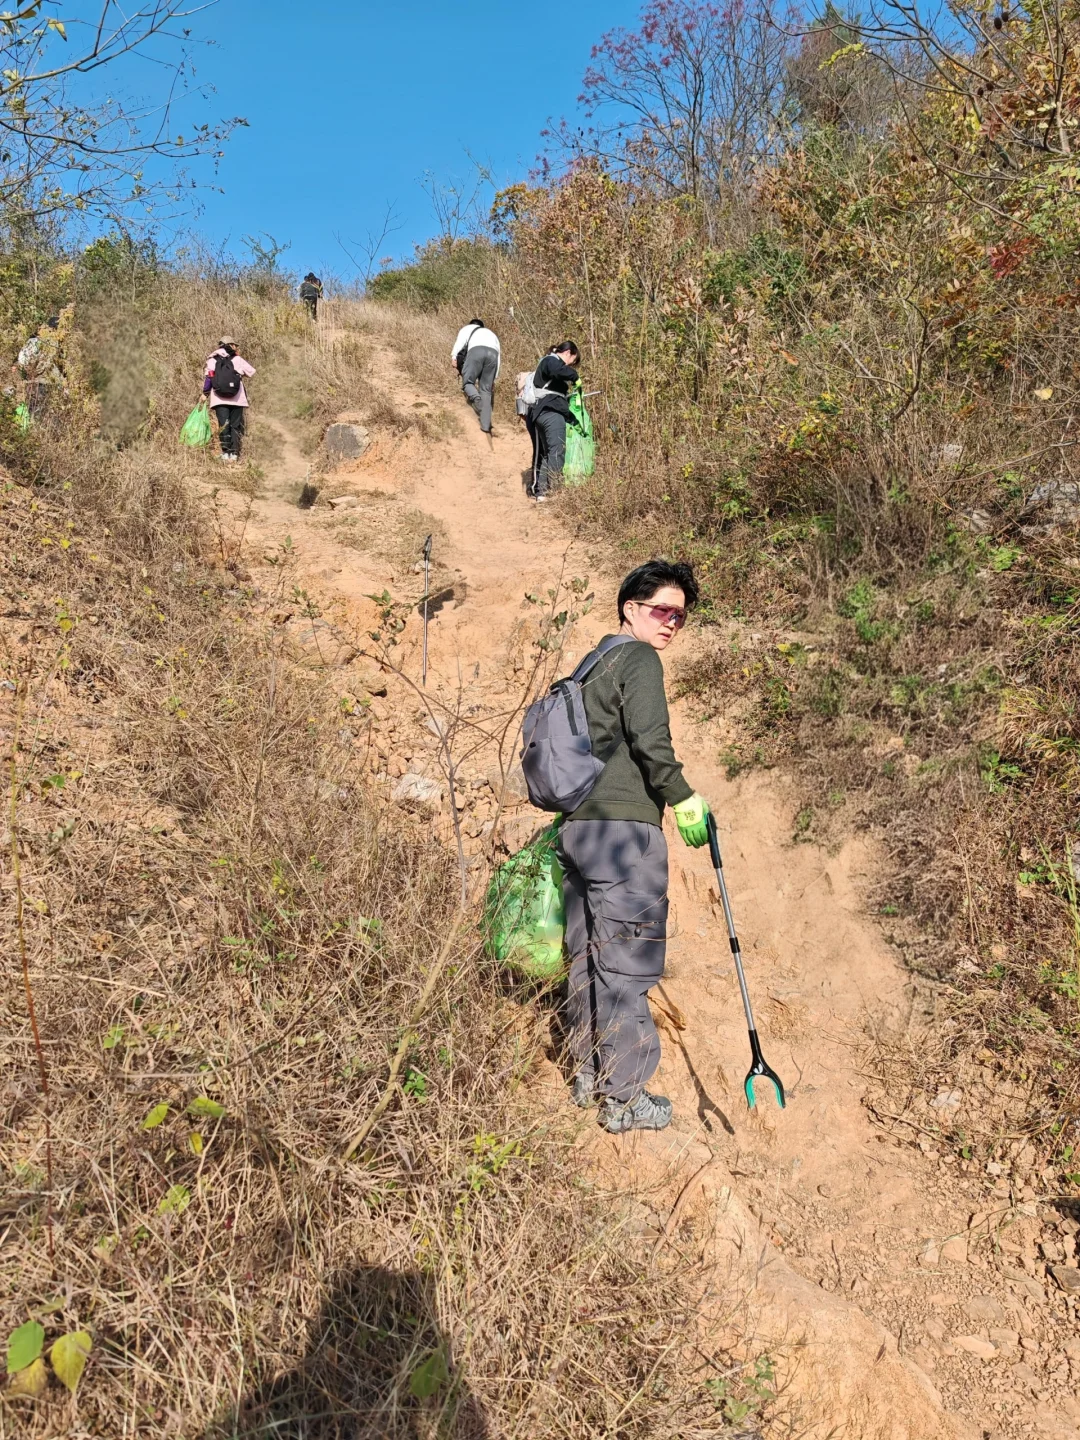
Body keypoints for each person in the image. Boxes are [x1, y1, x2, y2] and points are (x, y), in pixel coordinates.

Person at [557, 560, 712, 1134]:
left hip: (577, 829)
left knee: (587, 956)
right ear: (630, 609)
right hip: (625, 833)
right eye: (660, 611)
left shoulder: (589, 665)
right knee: (627, 960)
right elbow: (652, 741)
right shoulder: (639, 659)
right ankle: (623, 1098)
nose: (671, 623)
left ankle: (588, 1073)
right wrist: (684, 797)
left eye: (680, 616)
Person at [527, 341, 580, 502]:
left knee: (547, 453)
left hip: (542, 414)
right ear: (568, 353)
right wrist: (575, 377)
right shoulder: (550, 361)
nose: (572, 366)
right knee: (557, 452)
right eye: (573, 361)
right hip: (550, 414)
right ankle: (556, 492)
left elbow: (558, 400)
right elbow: (558, 371)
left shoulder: (549, 365)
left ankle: (542, 493)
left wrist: (572, 419)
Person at [203, 336, 256, 463]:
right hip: (237, 399)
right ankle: (235, 455)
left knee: (223, 425)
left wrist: (205, 393)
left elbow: (209, 379)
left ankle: (225, 454)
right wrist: (238, 374)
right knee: (235, 426)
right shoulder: (237, 359)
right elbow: (251, 372)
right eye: (234, 345)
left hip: (219, 399)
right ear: (231, 345)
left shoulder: (212, 360)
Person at [450, 318, 500, 435]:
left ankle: (477, 399)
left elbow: (460, 342)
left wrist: (453, 357)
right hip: (493, 354)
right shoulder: (492, 334)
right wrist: (494, 377)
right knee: (486, 390)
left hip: (476, 351)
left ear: (471, 325)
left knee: (468, 382)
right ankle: (485, 425)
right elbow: (498, 357)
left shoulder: (467, 329)